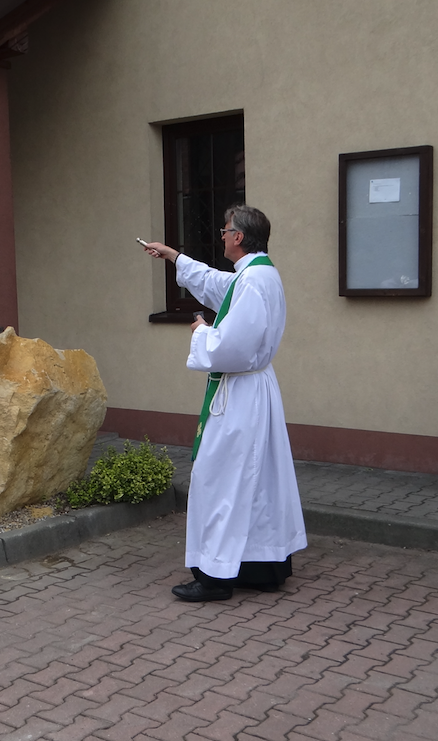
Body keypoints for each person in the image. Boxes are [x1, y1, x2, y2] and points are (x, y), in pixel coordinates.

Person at [144, 204, 307, 602]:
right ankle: (260, 567)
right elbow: (219, 285)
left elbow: (234, 345)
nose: (220, 235)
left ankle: (215, 577)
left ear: (238, 237)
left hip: (242, 395)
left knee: (220, 480)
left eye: (225, 230)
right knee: (253, 482)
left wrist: (202, 332)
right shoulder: (256, 274)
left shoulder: (253, 281)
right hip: (252, 392)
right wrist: (175, 257)